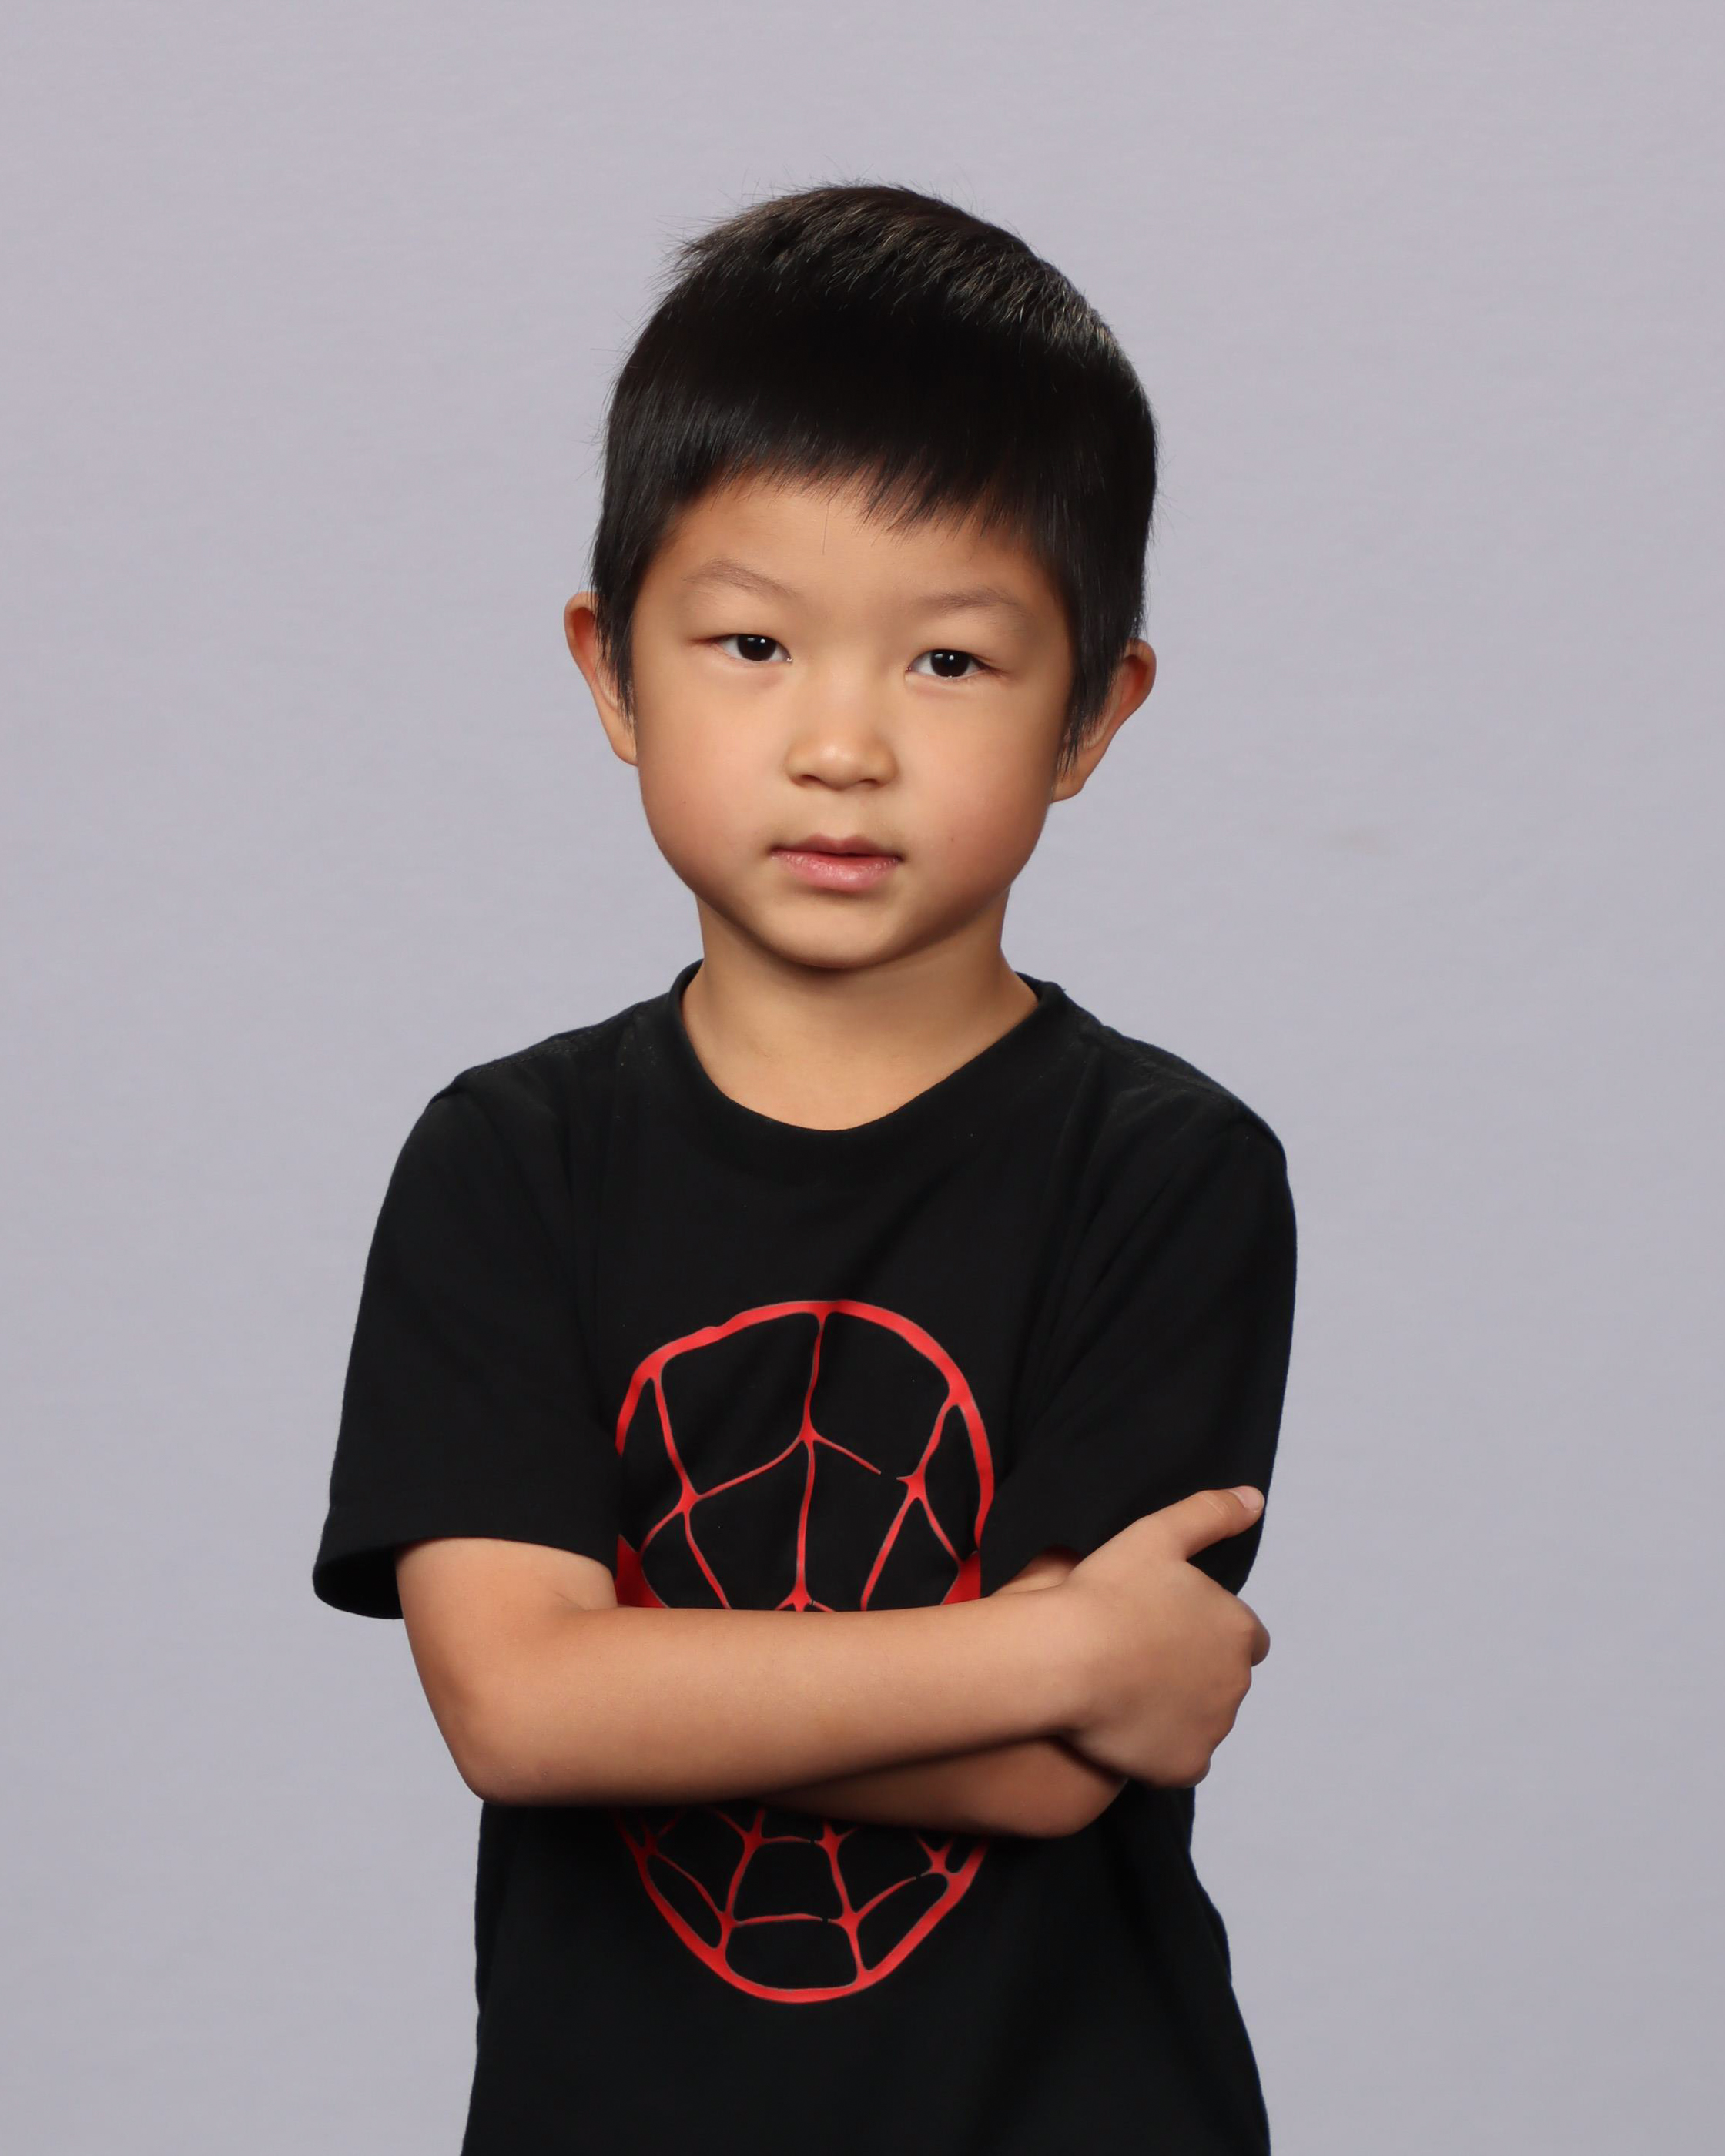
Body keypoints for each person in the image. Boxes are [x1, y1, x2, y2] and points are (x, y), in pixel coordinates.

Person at [312, 179, 1299, 2156]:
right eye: (753, 641)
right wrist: (1056, 1644)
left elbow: (1047, 1772)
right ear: (613, 670)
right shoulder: (508, 1162)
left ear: (1092, 710)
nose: (840, 742)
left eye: (949, 663)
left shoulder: (1167, 1170)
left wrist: (633, 1683)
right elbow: (514, 1710)